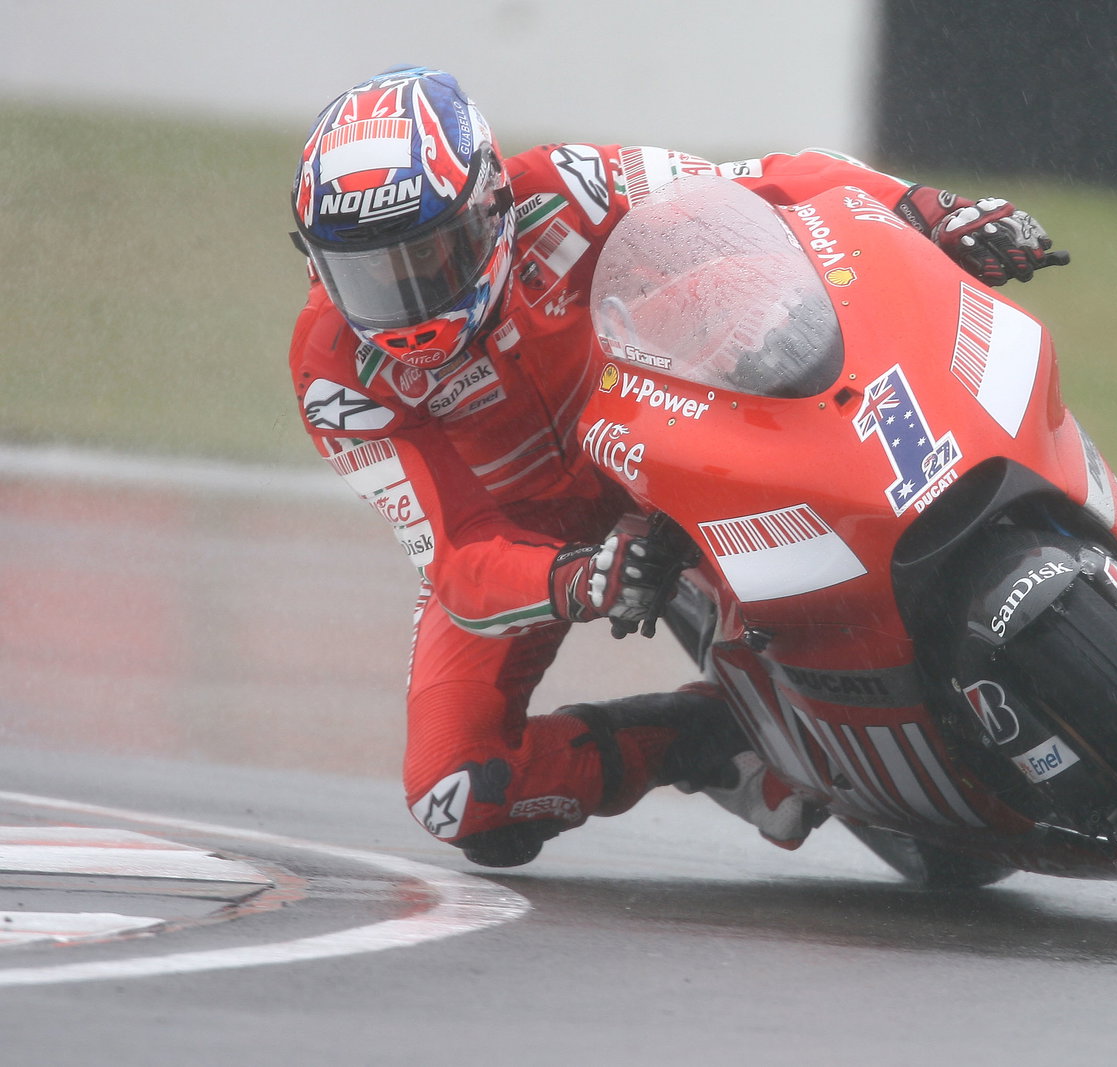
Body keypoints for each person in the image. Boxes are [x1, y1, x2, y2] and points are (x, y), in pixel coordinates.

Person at [287, 66, 1069, 868]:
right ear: (315, 262)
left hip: (657, 427)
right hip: (528, 538)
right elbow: (458, 549)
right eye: (370, 273)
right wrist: (576, 577)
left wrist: (927, 210)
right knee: (456, 792)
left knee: (765, 282)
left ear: (491, 206)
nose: (412, 300)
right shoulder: (333, 374)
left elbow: (759, 182)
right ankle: (705, 742)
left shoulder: (569, 187)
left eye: (433, 255)